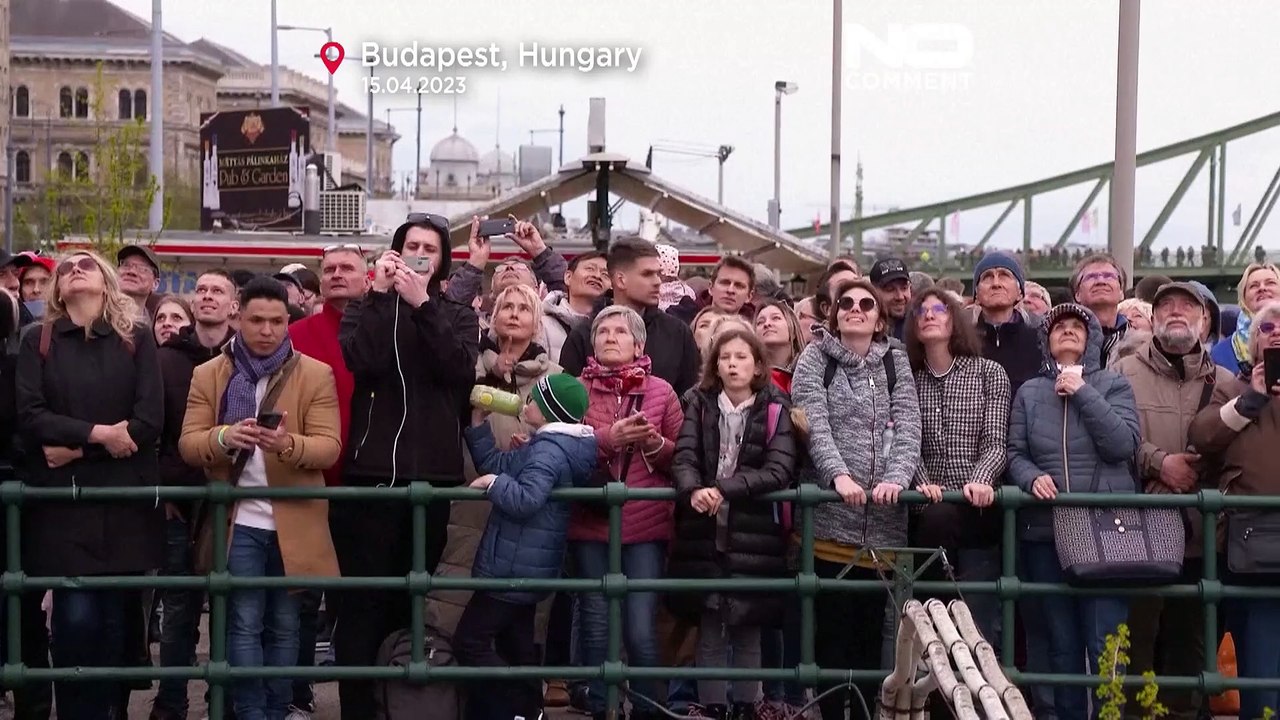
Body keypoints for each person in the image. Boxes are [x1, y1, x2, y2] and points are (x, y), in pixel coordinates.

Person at [332, 213, 479, 720]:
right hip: (371, 474)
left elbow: (458, 369)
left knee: (410, 602)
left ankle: (399, 706)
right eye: (411, 245)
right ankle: (357, 710)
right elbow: (360, 359)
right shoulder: (365, 306)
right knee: (362, 605)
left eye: (430, 248)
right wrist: (379, 295)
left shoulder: (457, 313)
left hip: (432, 477)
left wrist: (424, 307)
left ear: (442, 262)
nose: (419, 254)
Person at [179, 276, 342, 720]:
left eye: (276, 321)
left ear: (288, 321)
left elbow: (329, 447)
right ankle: (251, 712)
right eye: (256, 320)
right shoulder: (209, 374)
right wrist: (225, 437)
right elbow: (189, 444)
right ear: (238, 318)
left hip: (295, 518)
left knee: (286, 625)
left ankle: (277, 708)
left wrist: (287, 444)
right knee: (244, 622)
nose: (267, 330)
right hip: (238, 519)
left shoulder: (315, 373)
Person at [15, 250, 164, 719]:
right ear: (58, 289)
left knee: (118, 627)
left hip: (123, 503)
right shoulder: (37, 340)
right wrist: (100, 435)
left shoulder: (136, 337)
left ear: (106, 282)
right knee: (75, 621)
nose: (75, 269)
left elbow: (148, 420)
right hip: (63, 507)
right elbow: (31, 416)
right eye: (67, 268)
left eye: (87, 264)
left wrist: (79, 448)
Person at [790, 277, 921, 720]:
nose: (856, 309)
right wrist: (838, 476)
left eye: (867, 304)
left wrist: (897, 478)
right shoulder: (814, 358)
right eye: (846, 303)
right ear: (834, 313)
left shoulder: (895, 361)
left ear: (880, 319)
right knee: (832, 635)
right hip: (831, 523)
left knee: (870, 637)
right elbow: (814, 422)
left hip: (884, 525)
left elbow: (909, 424)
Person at [1006, 303, 1140, 720]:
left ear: (1092, 338)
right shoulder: (1029, 391)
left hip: (1106, 532)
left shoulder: (1113, 384)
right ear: (1045, 340)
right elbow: (1015, 453)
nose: (1067, 331)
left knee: (1106, 641)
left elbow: (1123, 446)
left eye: (1076, 327)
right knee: (1060, 644)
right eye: (1058, 326)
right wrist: (1030, 477)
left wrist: (1083, 392)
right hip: (1046, 532)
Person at [1113, 282, 1233, 720]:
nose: (1176, 312)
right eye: (1166, 305)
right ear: (1154, 317)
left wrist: (1200, 470)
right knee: (1136, 639)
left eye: (1187, 305)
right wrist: (1159, 463)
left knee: (1190, 643)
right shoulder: (1123, 372)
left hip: (1202, 533)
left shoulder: (1226, 381)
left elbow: (1237, 448)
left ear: (1204, 320)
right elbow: (1109, 437)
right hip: (1140, 528)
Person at [669, 327, 797, 720]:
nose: (732, 364)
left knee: (748, 626)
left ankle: (746, 705)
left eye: (741, 357)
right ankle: (712, 707)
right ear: (715, 366)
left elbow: (778, 469)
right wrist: (693, 489)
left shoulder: (775, 407)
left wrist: (724, 488)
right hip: (704, 529)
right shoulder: (698, 403)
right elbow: (684, 456)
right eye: (725, 358)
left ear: (758, 365)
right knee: (709, 625)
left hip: (754, 530)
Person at [455, 373, 596, 720]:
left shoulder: (547, 451)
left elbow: (526, 499)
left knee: (470, 642)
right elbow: (502, 464)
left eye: (534, 399)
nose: (526, 402)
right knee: (517, 647)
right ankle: (528, 710)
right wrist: (478, 425)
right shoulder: (547, 445)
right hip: (526, 565)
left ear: (549, 411)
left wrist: (493, 484)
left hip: (513, 565)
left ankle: (517, 706)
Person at [574, 305, 684, 720]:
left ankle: (647, 709)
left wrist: (655, 444)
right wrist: (609, 438)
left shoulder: (662, 392)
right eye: (603, 332)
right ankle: (601, 708)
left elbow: (685, 458)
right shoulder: (575, 389)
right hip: (590, 522)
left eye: (620, 332)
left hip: (645, 525)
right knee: (596, 624)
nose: (610, 337)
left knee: (640, 628)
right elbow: (563, 449)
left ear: (639, 345)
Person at [150, 270, 239, 720]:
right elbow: (152, 430)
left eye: (216, 290)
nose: (206, 297)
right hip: (179, 503)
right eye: (200, 290)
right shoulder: (164, 359)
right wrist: (163, 491)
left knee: (232, 606)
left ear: (233, 305)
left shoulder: (247, 358)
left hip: (233, 502)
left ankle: (222, 702)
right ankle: (171, 702)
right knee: (179, 609)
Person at [1189, 299, 1280, 720]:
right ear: (1252, 340)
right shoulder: (1231, 386)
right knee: (1260, 663)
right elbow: (1203, 436)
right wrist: (1253, 399)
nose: (1276, 335)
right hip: (1253, 548)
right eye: (1267, 328)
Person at [904, 288, 1010, 648]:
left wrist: (980, 480)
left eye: (939, 309)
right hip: (927, 513)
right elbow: (904, 441)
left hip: (977, 509)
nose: (929, 315)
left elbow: (996, 442)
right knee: (931, 622)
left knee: (979, 624)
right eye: (921, 311)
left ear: (955, 319)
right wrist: (921, 481)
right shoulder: (908, 379)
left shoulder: (989, 373)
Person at [560, 238, 700, 395]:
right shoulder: (583, 336)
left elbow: (689, 399)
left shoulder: (677, 333)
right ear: (620, 280)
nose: (657, 281)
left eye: (658, 274)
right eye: (647, 274)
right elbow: (567, 399)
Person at [1211, 262, 1280, 372]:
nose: (1262, 288)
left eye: (1270, 283)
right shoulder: (1219, 353)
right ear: (1243, 298)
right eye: (1254, 286)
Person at [754, 301, 805, 394]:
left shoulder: (810, 369)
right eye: (760, 322)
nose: (767, 324)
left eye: (776, 318)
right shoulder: (751, 375)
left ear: (793, 330)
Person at [869, 258, 912, 340]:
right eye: (890, 289)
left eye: (904, 288)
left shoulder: (920, 327)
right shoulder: (863, 328)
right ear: (873, 291)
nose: (900, 297)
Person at [116, 244, 163, 319]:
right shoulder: (97, 314)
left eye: (142, 268)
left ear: (155, 284)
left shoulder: (157, 324)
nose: (131, 271)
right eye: (126, 265)